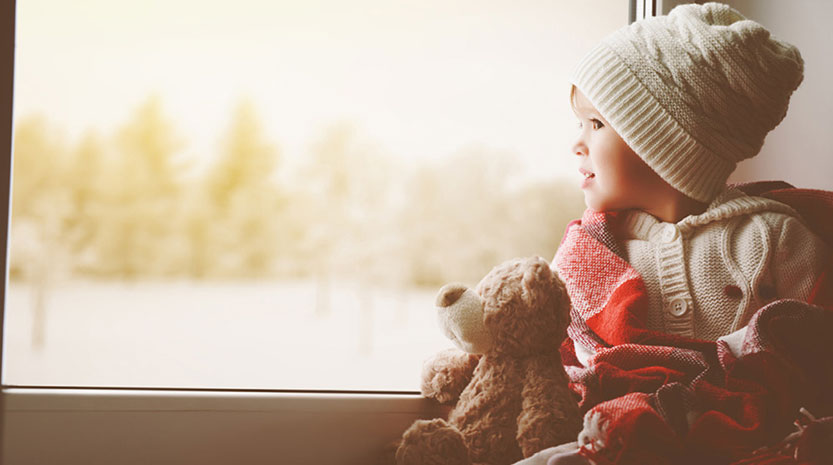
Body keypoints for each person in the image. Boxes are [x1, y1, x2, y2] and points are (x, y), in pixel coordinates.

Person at [515, 3, 833, 465]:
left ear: (665, 143)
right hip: (624, 441)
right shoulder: (589, 254)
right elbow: (562, 365)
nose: (576, 142)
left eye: (596, 124)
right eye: (578, 123)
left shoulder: (774, 239)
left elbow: (811, 354)